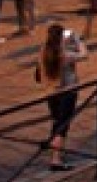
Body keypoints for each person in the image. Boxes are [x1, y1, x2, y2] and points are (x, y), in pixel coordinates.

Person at [36, 24, 87, 171]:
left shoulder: (43, 51)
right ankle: (56, 159)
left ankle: (53, 146)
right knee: (63, 126)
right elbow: (84, 54)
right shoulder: (65, 55)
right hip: (67, 92)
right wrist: (78, 40)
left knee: (56, 120)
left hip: (50, 93)